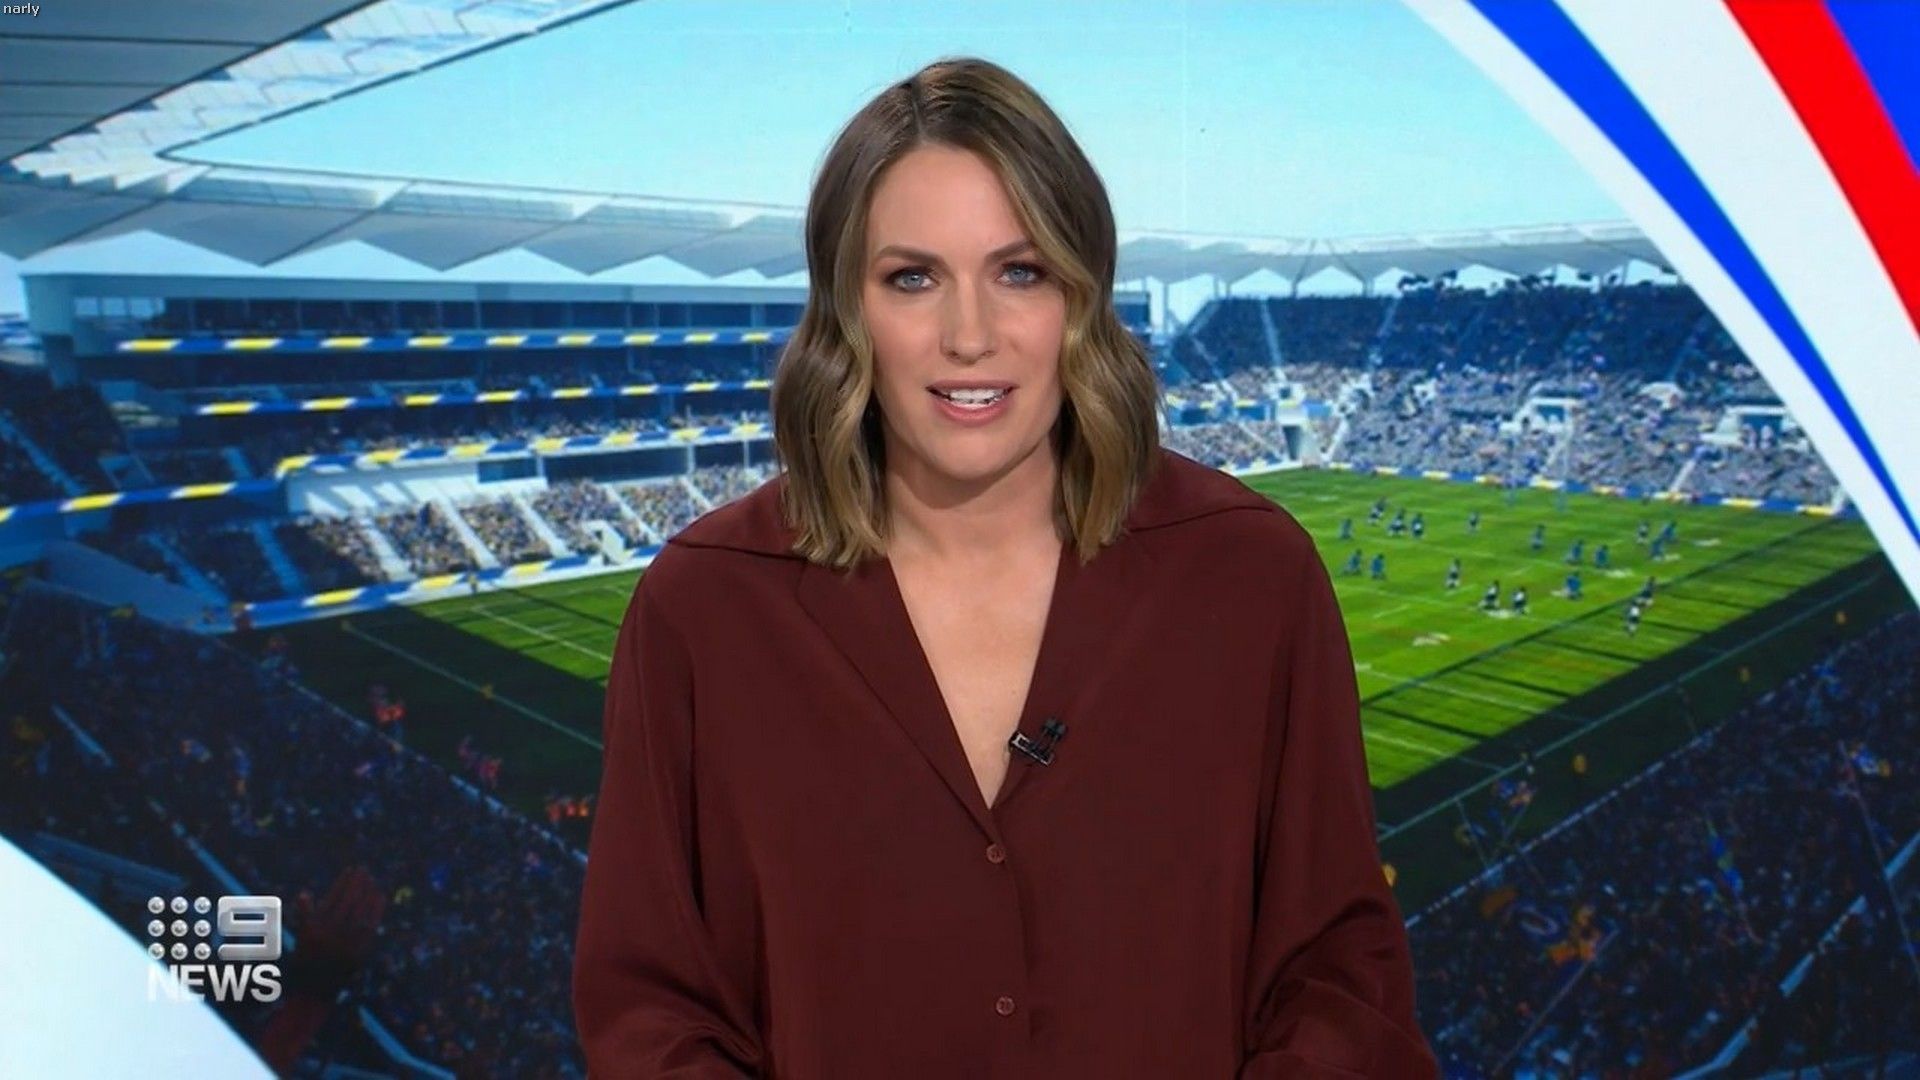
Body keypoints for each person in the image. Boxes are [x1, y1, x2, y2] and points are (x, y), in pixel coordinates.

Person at [572, 57, 1435, 1080]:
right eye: (912, 278)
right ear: (845, 311)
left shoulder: (1251, 577)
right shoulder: (705, 607)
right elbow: (650, 1012)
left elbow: (1340, 978)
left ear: (1083, 295)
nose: (970, 336)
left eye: (1020, 272)